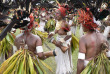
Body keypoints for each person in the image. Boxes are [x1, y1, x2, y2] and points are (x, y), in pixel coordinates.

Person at [77, 9, 109, 74]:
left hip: (88, 70)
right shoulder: (103, 37)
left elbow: (80, 60)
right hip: (100, 69)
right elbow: (109, 55)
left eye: (82, 23)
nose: (81, 25)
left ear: (86, 24)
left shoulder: (84, 38)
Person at [44, 6, 73, 74]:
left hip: (64, 43)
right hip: (58, 42)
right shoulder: (58, 22)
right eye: (56, 13)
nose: (56, 15)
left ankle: (64, 72)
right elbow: (56, 31)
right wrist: (52, 34)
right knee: (58, 57)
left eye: (58, 14)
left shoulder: (65, 24)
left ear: (62, 15)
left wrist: (61, 41)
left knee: (63, 59)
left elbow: (69, 35)